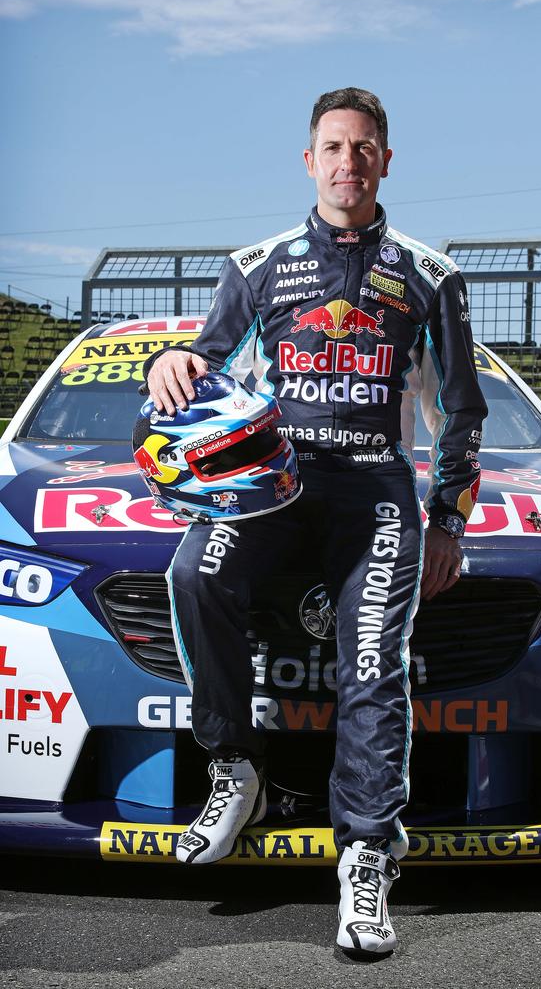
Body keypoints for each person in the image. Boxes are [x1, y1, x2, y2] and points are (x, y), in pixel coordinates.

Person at [144, 87, 487, 956]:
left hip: (376, 496)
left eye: (364, 148)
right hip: (275, 489)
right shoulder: (254, 264)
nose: (348, 163)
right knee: (193, 574)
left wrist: (447, 518)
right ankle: (235, 768)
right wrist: (170, 358)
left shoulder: (430, 272)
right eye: (333, 148)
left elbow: (462, 407)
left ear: (386, 161)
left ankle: (367, 860)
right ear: (309, 161)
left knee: (372, 659)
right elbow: (203, 360)